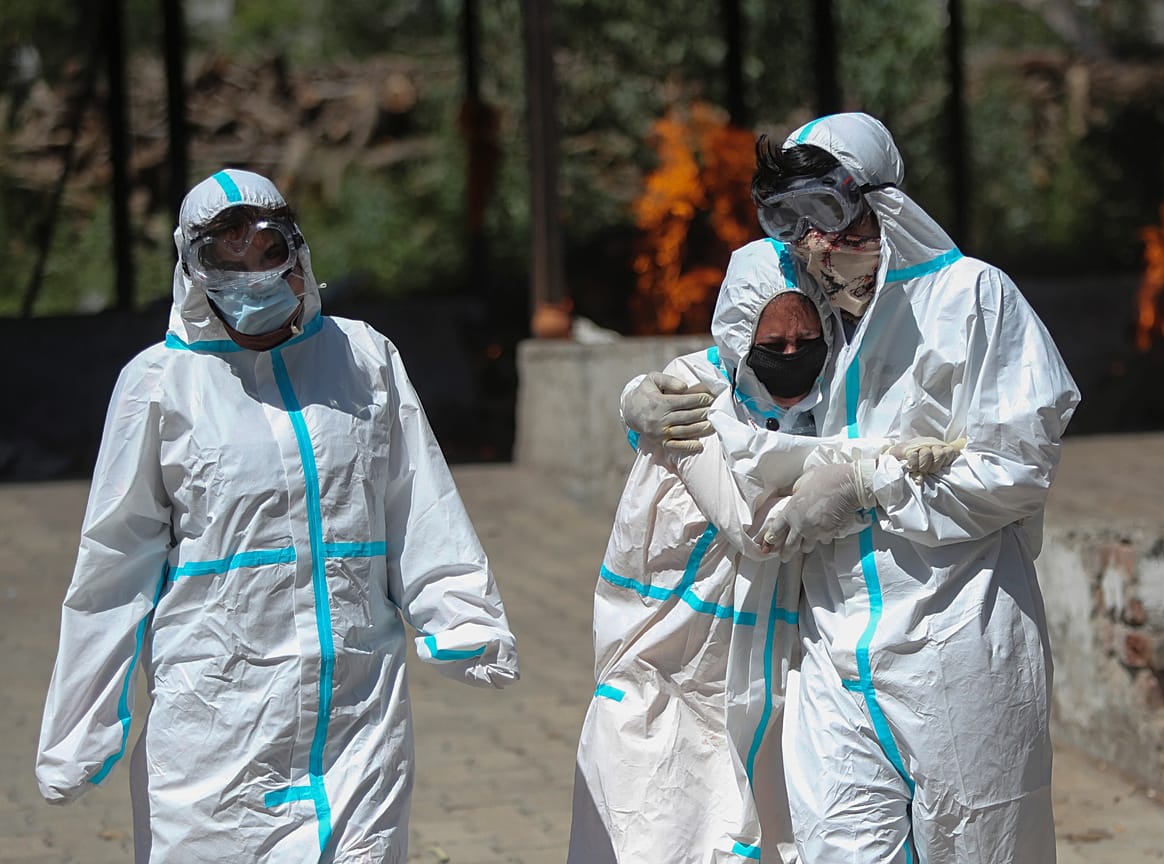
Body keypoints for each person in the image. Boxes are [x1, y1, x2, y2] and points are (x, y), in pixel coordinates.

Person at [35, 168, 520, 862]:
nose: (256, 276)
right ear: (193, 272)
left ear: (298, 256)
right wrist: (78, 730)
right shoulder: (160, 385)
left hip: (355, 711)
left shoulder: (363, 358)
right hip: (220, 714)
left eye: (269, 252)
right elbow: (112, 567)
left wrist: (462, 616)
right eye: (226, 260)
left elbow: (416, 498)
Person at [631, 113, 1079, 863]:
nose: (815, 243)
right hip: (831, 650)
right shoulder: (821, 319)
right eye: (791, 223)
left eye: (829, 216)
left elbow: (1015, 470)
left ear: (884, 205)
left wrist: (870, 488)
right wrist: (642, 401)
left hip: (954, 640)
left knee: (980, 843)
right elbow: (743, 384)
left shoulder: (973, 300)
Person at [573, 239, 958, 863]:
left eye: (805, 343)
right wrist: (875, 467)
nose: (789, 358)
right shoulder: (691, 401)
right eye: (771, 347)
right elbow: (752, 517)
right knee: (654, 834)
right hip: (664, 680)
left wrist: (872, 461)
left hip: (769, 685)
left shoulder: (836, 405)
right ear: (736, 338)